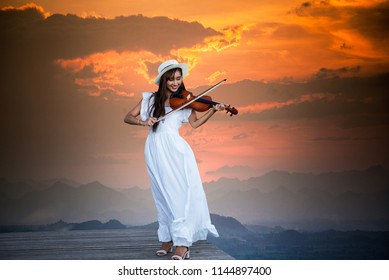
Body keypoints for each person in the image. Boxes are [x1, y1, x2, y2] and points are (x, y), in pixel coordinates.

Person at [124, 59, 224, 260]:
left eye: (178, 78)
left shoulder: (186, 101)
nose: (175, 83)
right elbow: (127, 117)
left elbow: (195, 124)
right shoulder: (150, 100)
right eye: (170, 79)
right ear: (163, 80)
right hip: (154, 149)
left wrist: (213, 109)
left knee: (177, 193)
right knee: (161, 194)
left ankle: (183, 242)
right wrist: (144, 122)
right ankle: (167, 238)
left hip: (175, 151)